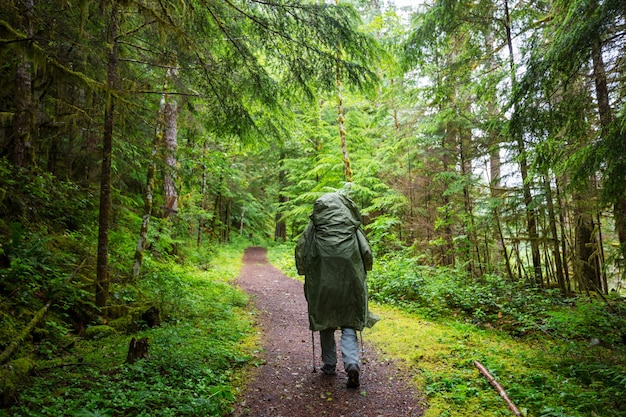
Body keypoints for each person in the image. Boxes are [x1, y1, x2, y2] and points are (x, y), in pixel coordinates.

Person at [295, 192, 376, 388]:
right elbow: (367, 254)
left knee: (326, 323)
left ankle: (329, 365)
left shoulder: (314, 229)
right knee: (348, 323)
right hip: (351, 284)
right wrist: (365, 269)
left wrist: (304, 270)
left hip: (322, 284)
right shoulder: (353, 229)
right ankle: (351, 364)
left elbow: (301, 251)